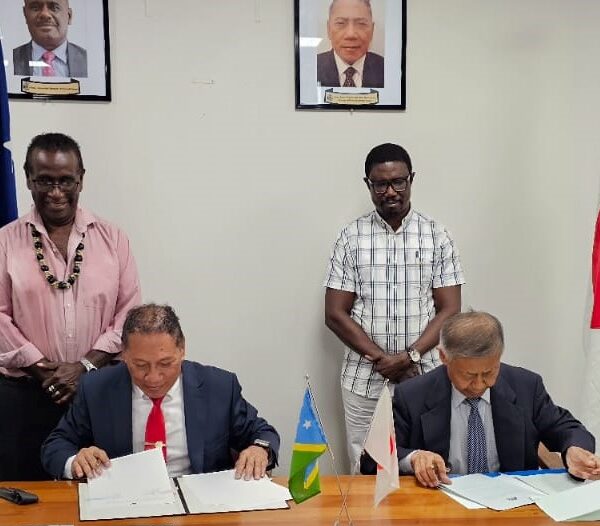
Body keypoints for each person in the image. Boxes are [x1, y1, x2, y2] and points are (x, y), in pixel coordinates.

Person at [0, 132, 141, 480]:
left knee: (103, 489)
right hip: (25, 395)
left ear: (81, 179)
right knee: (25, 495)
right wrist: (41, 369)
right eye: (44, 180)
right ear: (28, 178)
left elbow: (129, 312)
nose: (56, 192)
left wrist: (85, 368)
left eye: (66, 181)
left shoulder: (113, 238)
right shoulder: (5, 241)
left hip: (99, 391)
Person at [324, 142, 465, 470]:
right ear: (368, 185)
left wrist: (409, 357)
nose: (390, 191)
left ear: (411, 179)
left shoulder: (437, 235)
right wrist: (383, 360)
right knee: (365, 469)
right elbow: (334, 312)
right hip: (364, 379)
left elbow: (450, 309)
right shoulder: (351, 237)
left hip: (425, 376)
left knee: (426, 467)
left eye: (398, 182)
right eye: (381, 184)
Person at [41, 304, 280, 481]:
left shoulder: (218, 386)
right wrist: (75, 462)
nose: (153, 377)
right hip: (125, 503)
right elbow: (55, 445)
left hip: (200, 509)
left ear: (182, 350)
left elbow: (263, 433)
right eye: (140, 365)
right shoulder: (96, 388)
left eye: (165, 363)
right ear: (124, 354)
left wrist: (260, 449)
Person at [364, 311, 600, 488]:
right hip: (441, 504)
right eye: (468, 375)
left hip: (512, 505)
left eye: (488, 373)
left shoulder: (526, 386)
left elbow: (566, 428)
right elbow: (371, 461)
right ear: (444, 357)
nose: (478, 385)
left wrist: (574, 450)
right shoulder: (413, 395)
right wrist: (414, 458)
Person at [317, 0, 384, 88]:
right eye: (341, 23)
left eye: (361, 24)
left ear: (372, 30)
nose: (351, 34)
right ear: (329, 29)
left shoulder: (387, 69)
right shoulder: (311, 68)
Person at [13, 0, 87, 78]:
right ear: (25, 14)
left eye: (54, 8)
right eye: (35, 8)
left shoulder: (88, 61)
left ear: (69, 16)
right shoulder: (11, 59)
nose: (45, 14)